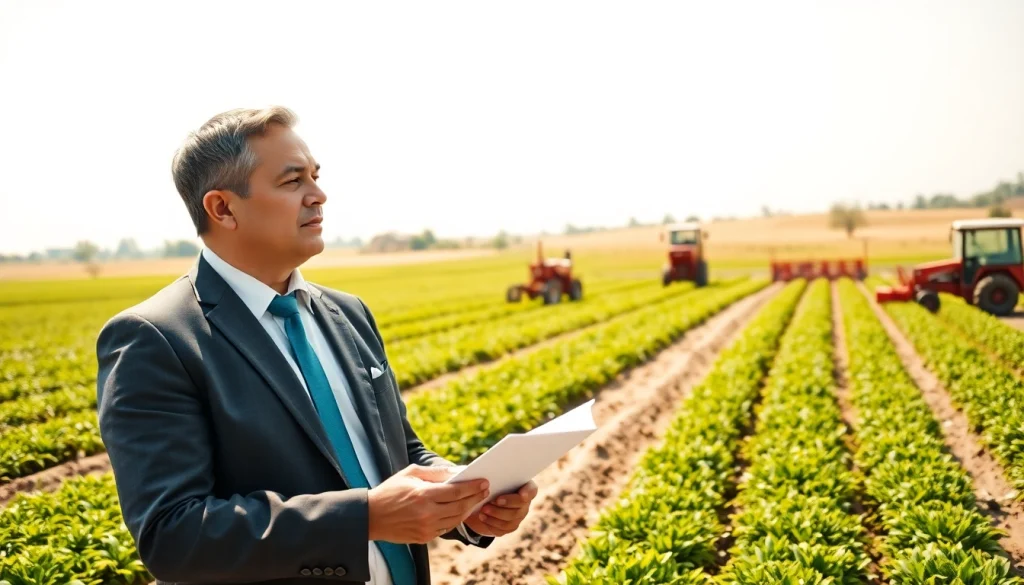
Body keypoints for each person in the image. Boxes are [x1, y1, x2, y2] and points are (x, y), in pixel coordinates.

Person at [95, 106, 538, 585]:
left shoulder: (348, 313)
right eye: (292, 181)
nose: (318, 195)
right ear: (223, 208)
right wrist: (364, 518)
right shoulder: (156, 338)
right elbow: (173, 535)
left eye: (315, 176)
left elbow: (397, 451)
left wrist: (466, 499)